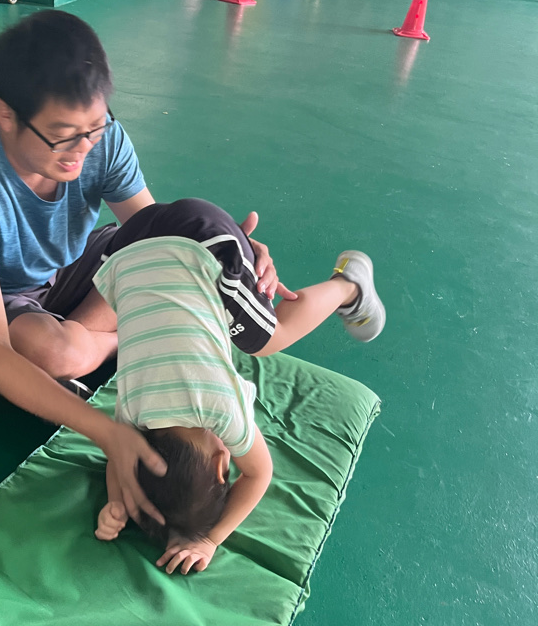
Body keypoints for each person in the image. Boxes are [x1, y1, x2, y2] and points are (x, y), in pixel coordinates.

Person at [0, 11, 283, 525]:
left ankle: (93, 341)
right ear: (5, 115)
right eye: (63, 136)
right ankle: (107, 342)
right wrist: (105, 430)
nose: (82, 150)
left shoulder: (100, 137)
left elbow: (156, 242)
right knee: (54, 351)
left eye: (94, 130)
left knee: (144, 285)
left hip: (64, 269)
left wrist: (230, 253)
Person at [91, 198, 385, 574]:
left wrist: (210, 539)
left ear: (221, 466)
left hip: (205, 241)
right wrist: (117, 502)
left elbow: (259, 474)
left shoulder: (221, 411)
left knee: (270, 338)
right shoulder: (133, 414)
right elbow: (117, 460)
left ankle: (348, 286)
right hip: (126, 246)